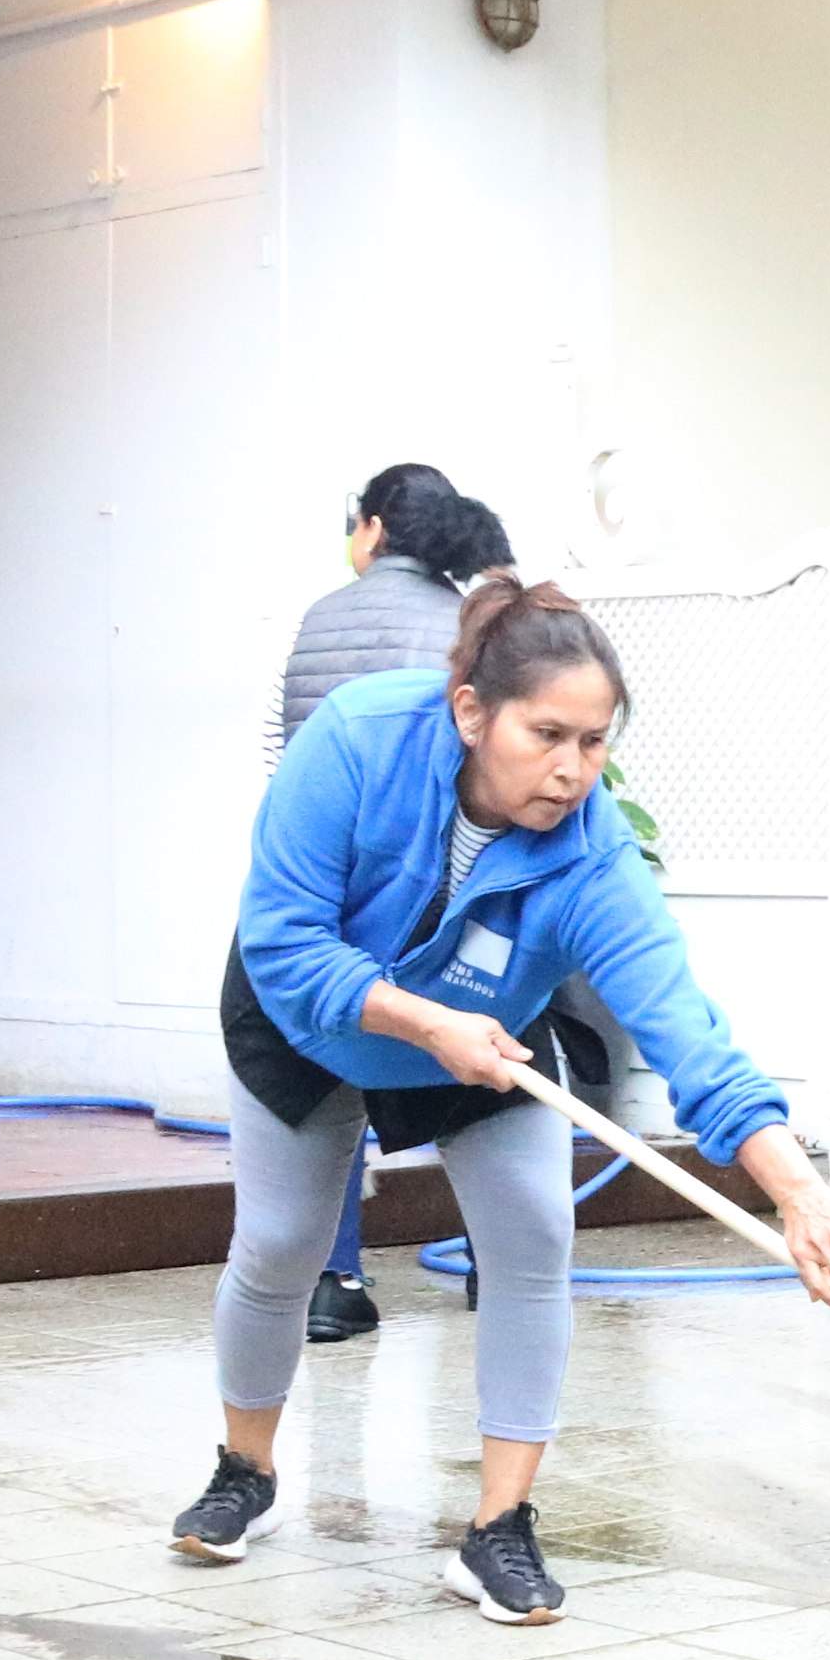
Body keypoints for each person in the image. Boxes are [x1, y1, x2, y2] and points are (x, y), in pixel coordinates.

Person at [179, 572, 830, 1620]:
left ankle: (498, 1527)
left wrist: (793, 1186)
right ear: (471, 712)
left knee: (536, 1231)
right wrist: (418, 1020)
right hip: (311, 1014)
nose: (571, 770)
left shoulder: (593, 853)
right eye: (547, 734)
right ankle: (248, 1469)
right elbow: (283, 943)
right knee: (281, 1239)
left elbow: (683, 1025)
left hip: (482, 1034)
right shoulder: (359, 741)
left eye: (594, 743)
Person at [278, 464, 516, 1343]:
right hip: (442, 887)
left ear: (372, 528)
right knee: (478, 1061)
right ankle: (496, 1260)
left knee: (329, 1078)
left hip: (332, 887)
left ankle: (334, 1283)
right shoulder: (465, 624)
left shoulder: (317, 618)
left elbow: (286, 756)